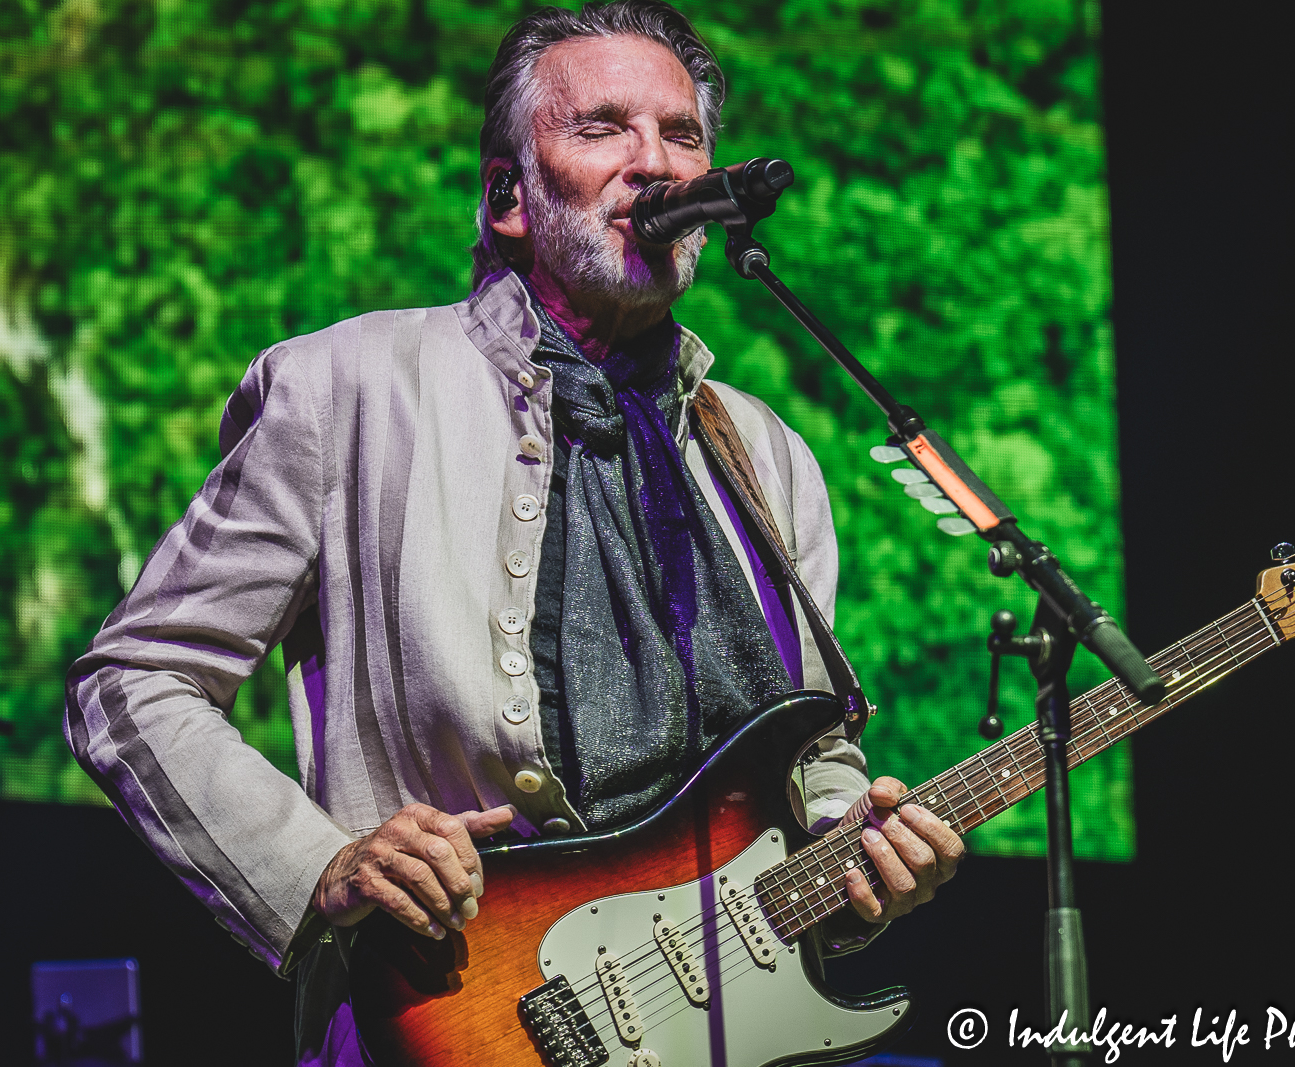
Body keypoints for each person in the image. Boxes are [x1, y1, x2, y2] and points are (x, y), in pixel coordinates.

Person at [65, 2, 963, 1063]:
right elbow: (133, 680)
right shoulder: (348, 388)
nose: (654, 163)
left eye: (682, 135)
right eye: (602, 128)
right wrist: (317, 863)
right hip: (456, 1014)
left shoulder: (768, 457)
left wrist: (854, 858)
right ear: (508, 198)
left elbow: (811, 760)